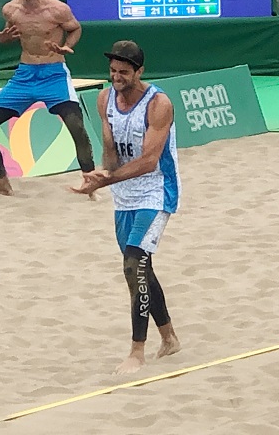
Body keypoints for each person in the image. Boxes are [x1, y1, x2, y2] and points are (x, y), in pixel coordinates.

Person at [71, 40, 181, 375]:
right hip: (123, 194)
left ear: (139, 71)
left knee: (134, 264)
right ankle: (170, 338)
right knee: (141, 267)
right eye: (113, 71)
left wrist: (107, 180)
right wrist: (100, 175)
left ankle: (137, 351)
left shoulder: (158, 103)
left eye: (124, 72)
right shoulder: (104, 98)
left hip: (155, 191)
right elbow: (111, 151)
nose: (117, 77)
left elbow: (149, 161)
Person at [0, 0, 95, 196]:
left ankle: (90, 182)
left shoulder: (57, 9)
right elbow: (10, 36)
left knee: (76, 126)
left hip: (54, 74)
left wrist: (67, 46)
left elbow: (75, 28)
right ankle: (4, 185)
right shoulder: (11, 9)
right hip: (25, 75)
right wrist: (3, 39)